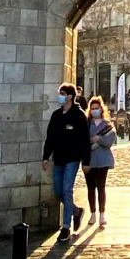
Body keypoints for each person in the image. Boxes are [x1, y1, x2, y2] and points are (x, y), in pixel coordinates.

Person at [43, 81, 90, 239]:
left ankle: (66, 227)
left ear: (70, 97)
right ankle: (76, 211)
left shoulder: (79, 116)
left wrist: (86, 161)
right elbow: (50, 137)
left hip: (72, 158)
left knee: (67, 190)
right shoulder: (56, 115)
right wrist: (45, 157)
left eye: (63, 94)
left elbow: (84, 140)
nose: (60, 97)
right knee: (58, 191)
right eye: (60, 94)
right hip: (58, 158)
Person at [82, 94, 117, 228]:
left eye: (97, 108)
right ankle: (92, 213)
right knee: (91, 188)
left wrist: (99, 139)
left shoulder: (107, 125)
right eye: (92, 108)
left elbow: (110, 141)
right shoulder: (86, 125)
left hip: (103, 160)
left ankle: (102, 214)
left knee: (101, 187)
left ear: (101, 109)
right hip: (89, 160)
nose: (94, 110)